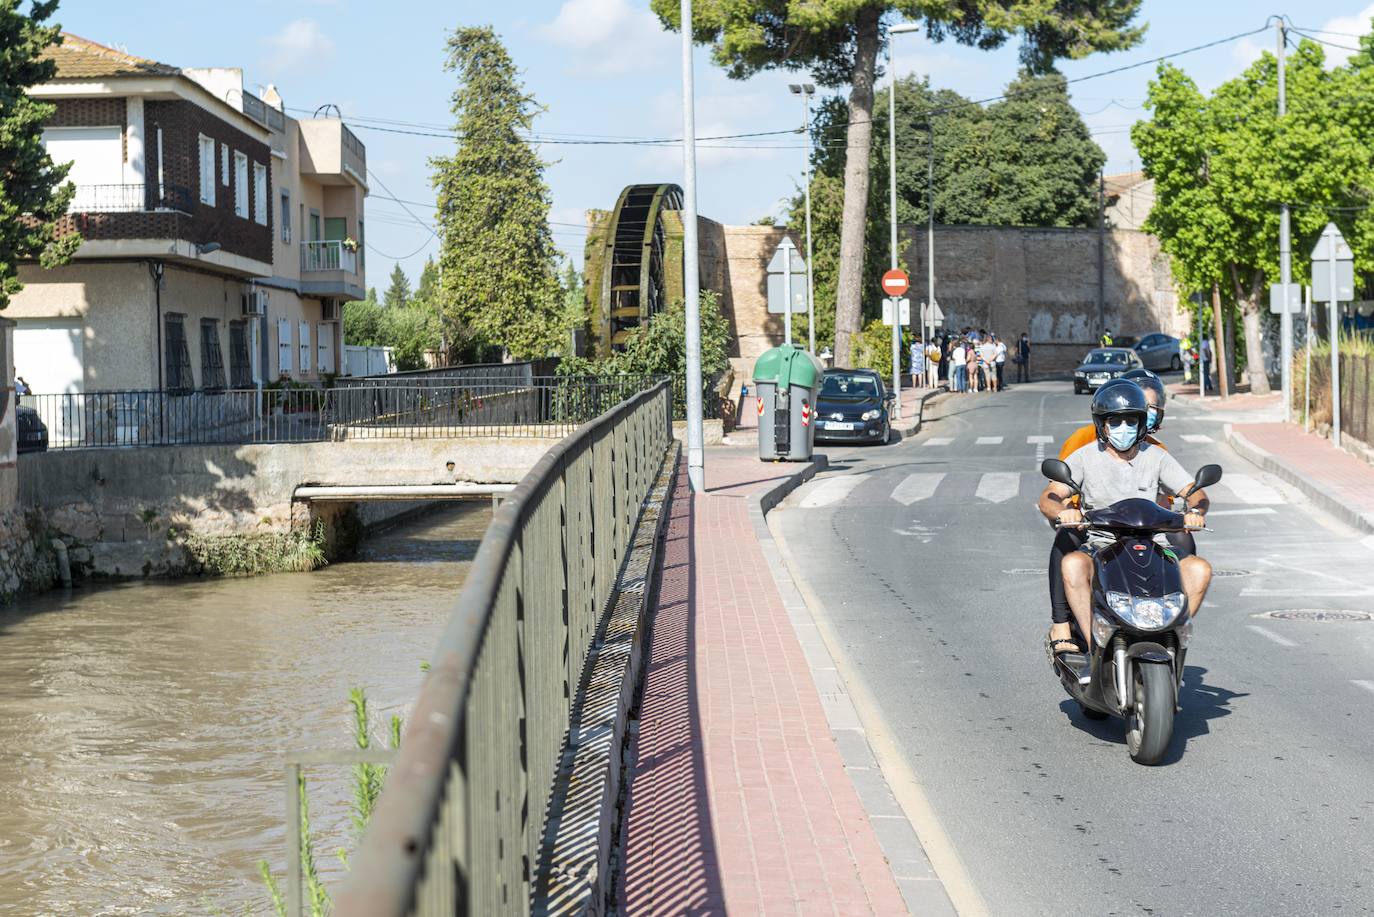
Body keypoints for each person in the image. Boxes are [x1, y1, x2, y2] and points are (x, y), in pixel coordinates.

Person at [1038, 380, 1212, 666]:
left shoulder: (1156, 456)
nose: (1123, 427)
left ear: (1142, 422)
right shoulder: (1084, 457)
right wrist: (1061, 512)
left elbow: (1196, 493)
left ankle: (1172, 638)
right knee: (1071, 563)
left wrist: (1196, 511)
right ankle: (1094, 645)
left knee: (1199, 569)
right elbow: (1049, 496)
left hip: (1154, 544)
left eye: (1130, 420)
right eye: (1115, 421)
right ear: (1102, 425)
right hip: (1101, 543)